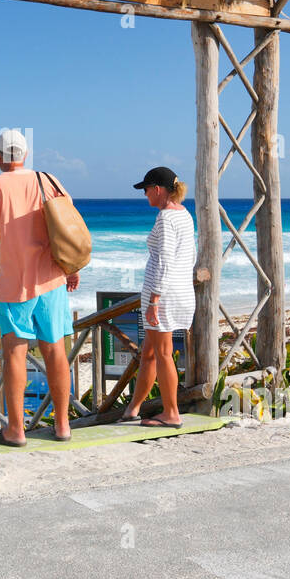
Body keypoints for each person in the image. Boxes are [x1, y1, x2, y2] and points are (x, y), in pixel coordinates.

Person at [0, 128, 80, 446]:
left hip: (14, 285)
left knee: (14, 354)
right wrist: (71, 266)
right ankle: (62, 425)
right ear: (26, 155)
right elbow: (68, 226)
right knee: (55, 350)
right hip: (52, 280)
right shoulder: (48, 180)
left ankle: (15, 430)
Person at [121, 166, 196, 428]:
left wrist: (154, 300)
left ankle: (171, 413)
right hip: (181, 290)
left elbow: (163, 261)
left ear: (157, 189)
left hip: (163, 295)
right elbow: (187, 256)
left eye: (145, 190)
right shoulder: (184, 215)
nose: (144, 195)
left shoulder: (165, 218)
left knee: (163, 353)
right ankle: (134, 408)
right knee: (151, 353)